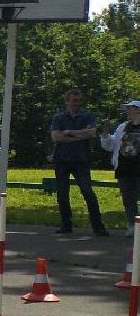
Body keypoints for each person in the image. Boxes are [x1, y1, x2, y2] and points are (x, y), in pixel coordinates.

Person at [49, 88, 109, 235]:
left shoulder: (88, 116)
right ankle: (66, 224)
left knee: (87, 192)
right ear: (67, 102)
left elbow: (92, 133)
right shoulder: (58, 118)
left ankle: (98, 226)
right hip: (61, 159)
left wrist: (69, 132)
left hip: (81, 159)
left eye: (79, 101)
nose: (77, 104)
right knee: (62, 194)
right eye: (74, 101)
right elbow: (56, 137)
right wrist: (81, 135)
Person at [101, 99, 140, 227]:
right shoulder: (123, 127)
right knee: (128, 200)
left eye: (129, 108)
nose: (126, 111)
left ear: (138, 110)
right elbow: (110, 146)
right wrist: (105, 134)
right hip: (124, 168)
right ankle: (132, 226)